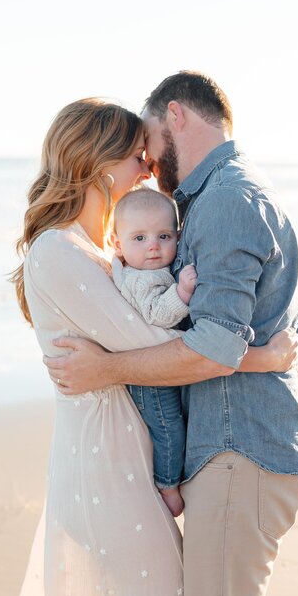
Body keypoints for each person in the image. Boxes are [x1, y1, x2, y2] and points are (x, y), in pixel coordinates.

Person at [0, 97, 298, 596]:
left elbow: (135, 349)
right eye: (135, 155)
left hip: (126, 453)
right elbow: (144, 343)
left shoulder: (95, 249)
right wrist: (256, 355)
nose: (149, 168)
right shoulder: (60, 253)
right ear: (97, 162)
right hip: (102, 463)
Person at [110, 187, 196, 517]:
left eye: (163, 235)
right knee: (168, 427)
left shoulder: (148, 267)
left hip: (163, 364)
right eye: (139, 238)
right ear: (118, 244)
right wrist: (183, 291)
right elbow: (157, 314)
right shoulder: (140, 279)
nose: (153, 247)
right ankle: (167, 484)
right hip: (150, 374)